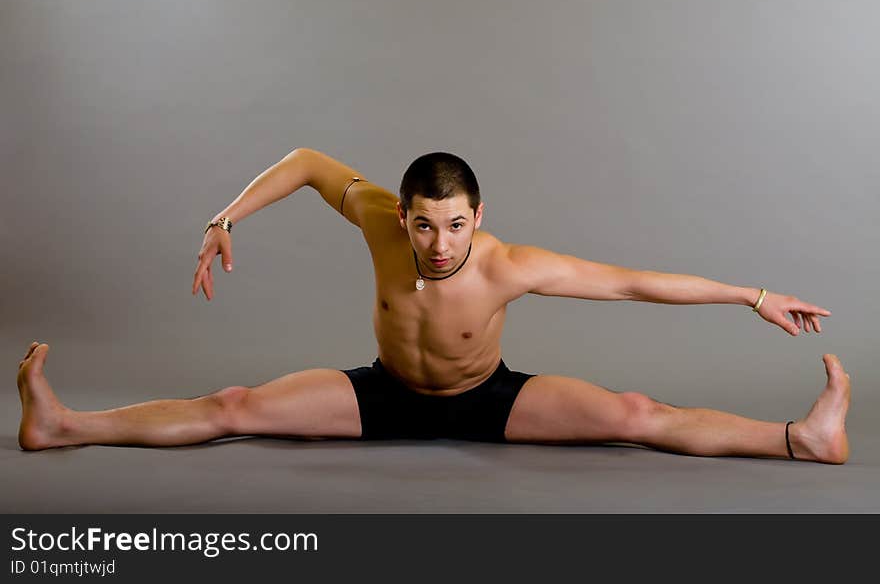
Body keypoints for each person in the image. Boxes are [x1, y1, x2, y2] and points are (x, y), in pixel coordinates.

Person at [17, 149, 850, 463]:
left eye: (456, 225)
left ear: (478, 217)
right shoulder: (380, 221)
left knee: (635, 413)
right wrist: (224, 217)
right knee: (233, 405)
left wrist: (754, 295)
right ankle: (63, 425)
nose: (441, 243)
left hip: (488, 402)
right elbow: (307, 162)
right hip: (382, 393)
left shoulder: (510, 264)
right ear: (402, 217)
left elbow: (636, 283)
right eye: (425, 225)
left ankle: (799, 440)